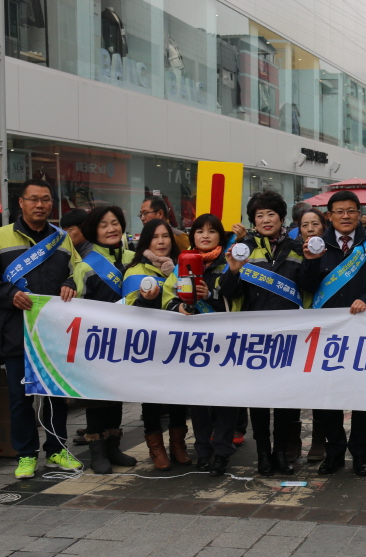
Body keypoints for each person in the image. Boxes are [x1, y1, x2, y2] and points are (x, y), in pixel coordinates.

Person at [0, 179, 82, 478]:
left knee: (55, 393)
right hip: (15, 329)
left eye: (46, 199)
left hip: (54, 330)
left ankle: (57, 449)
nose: (40, 205)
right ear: (21, 203)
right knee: (19, 396)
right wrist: (8, 295)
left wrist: (70, 283)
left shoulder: (62, 239)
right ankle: (26, 454)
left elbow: (79, 269)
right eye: (33, 199)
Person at [297, 190, 366, 477]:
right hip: (327, 334)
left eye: (351, 211)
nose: (345, 216)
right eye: (339, 211)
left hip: (363, 331)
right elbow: (307, 286)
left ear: (359, 214)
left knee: (362, 396)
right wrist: (311, 261)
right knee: (328, 396)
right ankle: (334, 452)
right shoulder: (317, 244)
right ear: (329, 216)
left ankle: (360, 453)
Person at [221, 191, 304, 476]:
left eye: (271, 214)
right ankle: (263, 454)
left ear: (281, 218)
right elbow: (229, 292)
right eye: (259, 215)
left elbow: (308, 285)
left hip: (290, 334)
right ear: (253, 221)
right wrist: (233, 272)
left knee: (285, 397)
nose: (266, 220)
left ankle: (280, 452)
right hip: (256, 336)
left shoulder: (297, 248)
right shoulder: (243, 249)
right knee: (258, 398)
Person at [160, 214, 242, 476]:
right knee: (198, 400)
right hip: (192, 344)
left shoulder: (229, 262)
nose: (205, 236)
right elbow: (167, 299)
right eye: (199, 231)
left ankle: (222, 451)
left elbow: (239, 300)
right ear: (192, 236)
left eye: (212, 231)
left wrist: (212, 295)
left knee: (226, 400)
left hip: (224, 342)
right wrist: (180, 306)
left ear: (221, 236)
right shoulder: (181, 264)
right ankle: (203, 450)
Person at [72, 205, 140, 474]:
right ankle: (97, 450)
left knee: (117, 395)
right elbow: (78, 306)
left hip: (127, 341)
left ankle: (113, 447)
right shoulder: (86, 266)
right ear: (93, 231)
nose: (111, 229)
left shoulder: (134, 259)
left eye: (115, 223)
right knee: (97, 398)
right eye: (103, 225)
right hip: (97, 342)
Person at [123, 219, 190, 471]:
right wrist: (146, 300)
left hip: (177, 344)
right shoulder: (135, 271)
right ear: (146, 241)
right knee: (150, 398)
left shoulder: (182, 267)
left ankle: (178, 444)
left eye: (165, 236)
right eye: (155, 237)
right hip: (149, 346)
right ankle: (156, 448)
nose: (161, 242)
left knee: (179, 396)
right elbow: (129, 313)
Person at [295, 208, 329, 463]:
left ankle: (319, 438)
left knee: (320, 384)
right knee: (294, 384)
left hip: (324, 325)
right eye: (305, 224)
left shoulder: (332, 252)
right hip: (297, 325)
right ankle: (291, 439)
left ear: (323, 227)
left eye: (315, 224)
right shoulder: (291, 251)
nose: (310, 228)